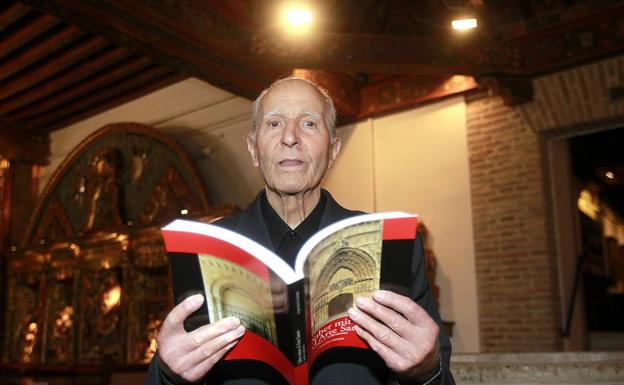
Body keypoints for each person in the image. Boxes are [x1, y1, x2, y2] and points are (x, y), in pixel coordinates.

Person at [145, 77, 455, 385]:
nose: (290, 138)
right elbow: (178, 366)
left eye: (309, 124)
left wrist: (427, 371)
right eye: (274, 124)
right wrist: (168, 375)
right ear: (253, 149)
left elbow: (439, 377)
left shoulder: (393, 246)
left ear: (333, 150)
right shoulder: (204, 249)